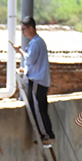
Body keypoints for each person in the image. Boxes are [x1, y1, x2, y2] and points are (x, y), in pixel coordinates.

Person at [12, 16, 55, 145]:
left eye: (24, 29)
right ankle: (47, 133)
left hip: (37, 81)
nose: (23, 32)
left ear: (31, 28)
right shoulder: (38, 42)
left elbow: (30, 60)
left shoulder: (36, 43)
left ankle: (46, 134)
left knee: (38, 109)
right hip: (41, 80)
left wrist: (19, 51)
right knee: (41, 108)